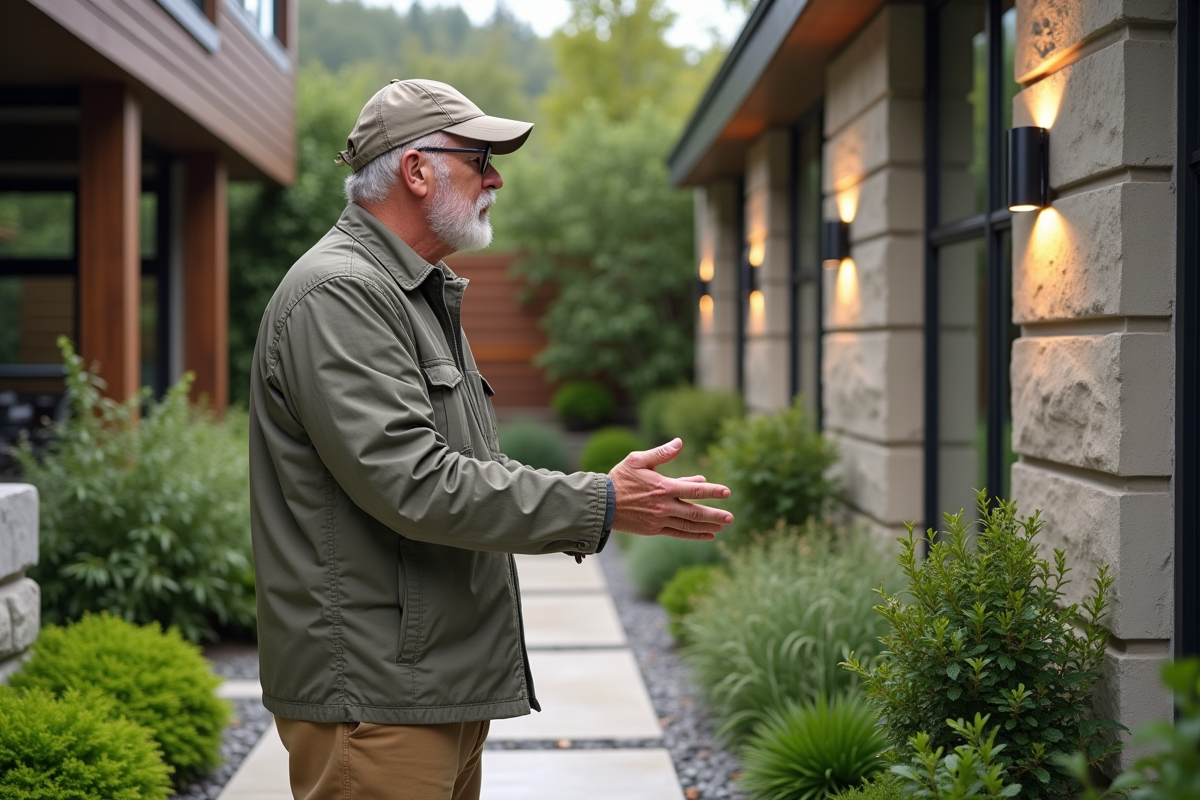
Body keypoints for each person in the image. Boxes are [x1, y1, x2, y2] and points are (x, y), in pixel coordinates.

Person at [247, 79, 735, 800]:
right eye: (479, 159)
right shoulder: (340, 293)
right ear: (416, 170)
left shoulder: (411, 291)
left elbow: (472, 469)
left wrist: (599, 499)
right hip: (378, 701)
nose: (496, 177)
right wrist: (599, 502)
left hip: (426, 688)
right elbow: (414, 481)